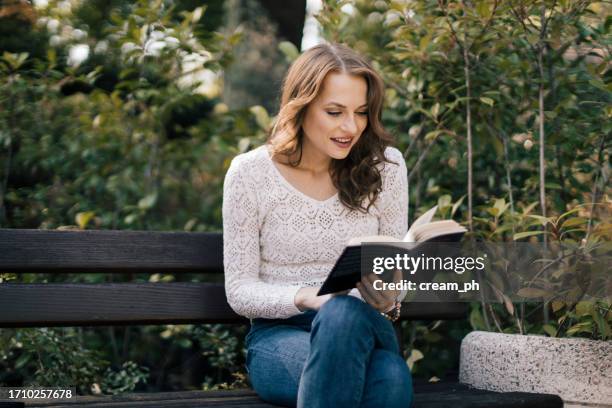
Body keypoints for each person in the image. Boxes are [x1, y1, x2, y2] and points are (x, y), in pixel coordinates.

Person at [222, 42, 413, 408]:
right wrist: (306, 297)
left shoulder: (385, 167)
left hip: (365, 328)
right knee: (388, 379)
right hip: (280, 337)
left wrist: (390, 292)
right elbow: (240, 289)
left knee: (344, 312)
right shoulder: (250, 174)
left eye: (360, 112)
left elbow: (392, 278)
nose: (350, 127)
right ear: (302, 105)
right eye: (334, 112)